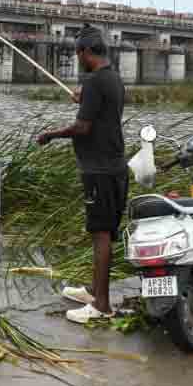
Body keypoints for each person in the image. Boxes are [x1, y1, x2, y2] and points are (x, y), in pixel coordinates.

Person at [37, 24, 127, 324]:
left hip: (99, 170)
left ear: (87, 52)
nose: (78, 58)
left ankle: (101, 306)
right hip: (115, 167)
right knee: (104, 233)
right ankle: (94, 292)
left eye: (78, 54)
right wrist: (85, 100)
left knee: (100, 234)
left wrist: (50, 135)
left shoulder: (94, 81)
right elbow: (101, 111)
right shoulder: (113, 78)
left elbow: (82, 127)